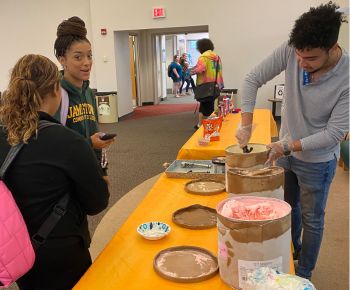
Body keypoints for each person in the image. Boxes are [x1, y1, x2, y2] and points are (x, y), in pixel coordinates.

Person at [235, 2, 349, 280]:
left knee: (312, 218)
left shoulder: (347, 76)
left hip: (318, 162)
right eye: (298, 55)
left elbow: (334, 134)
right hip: (286, 152)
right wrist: (246, 124)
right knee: (287, 208)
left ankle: (304, 273)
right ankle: (293, 251)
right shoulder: (292, 49)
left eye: (310, 58)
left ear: (332, 48)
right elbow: (252, 79)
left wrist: (287, 145)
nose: (301, 63)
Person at [0, 54, 110, 289]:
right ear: (55, 89)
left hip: (17, 251)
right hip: (64, 252)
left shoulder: (3, 135)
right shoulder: (69, 141)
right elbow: (97, 203)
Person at [54, 16, 115, 184]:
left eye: (89, 56)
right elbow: (51, 144)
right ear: (62, 60)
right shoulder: (54, 94)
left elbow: (96, 135)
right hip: (66, 176)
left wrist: (102, 170)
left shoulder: (88, 92)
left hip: (88, 170)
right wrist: (89, 143)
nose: (87, 63)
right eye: (78, 57)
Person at [191, 38, 224, 129]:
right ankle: (200, 124)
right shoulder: (217, 57)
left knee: (206, 105)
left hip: (205, 84)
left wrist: (191, 72)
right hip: (215, 84)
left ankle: (209, 125)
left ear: (201, 47)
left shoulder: (203, 57)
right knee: (208, 104)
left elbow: (201, 69)